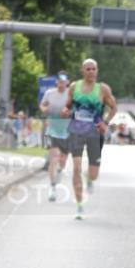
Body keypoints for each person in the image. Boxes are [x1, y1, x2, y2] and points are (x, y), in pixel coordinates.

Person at [61, 58, 117, 219]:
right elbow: (68, 105)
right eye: (88, 69)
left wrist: (105, 122)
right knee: (76, 167)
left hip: (95, 133)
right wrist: (65, 110)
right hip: (76, 131)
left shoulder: (103, 89)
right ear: (82, 71)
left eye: (94, 69)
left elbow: (113, 108)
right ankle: (79, 204)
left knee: (94, 173)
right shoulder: (74, 87)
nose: (91, 72)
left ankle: (90, 179)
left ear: (97, 70)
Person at [40, 71, 71, 201]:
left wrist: (68, 112)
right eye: (59, 81)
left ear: (67, 82)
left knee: (62, 161)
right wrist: (44, 109)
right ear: (56, 82)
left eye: (64, 81)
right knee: (53, 159)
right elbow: (42, 105)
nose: (61, 83)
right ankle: (52, 188)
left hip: (67, 130)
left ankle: (59, 173)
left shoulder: (71, 94)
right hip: (52, 129)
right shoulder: (49, 93)